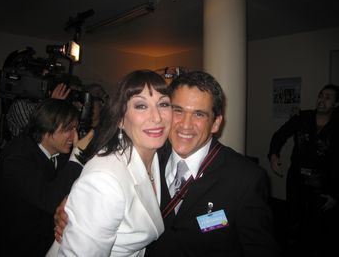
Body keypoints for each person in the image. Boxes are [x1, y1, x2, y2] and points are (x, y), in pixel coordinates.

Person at [54, 71, 281, 257]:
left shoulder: (245, 179)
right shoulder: (150, 153)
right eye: (178, 110)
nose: (185, 125)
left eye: (199, 115)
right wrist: (72, 209)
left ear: (216, 123)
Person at [46, 69, 172, 256]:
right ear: (120, 119)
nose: (157, 117)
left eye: (163, 104)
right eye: (141, 106)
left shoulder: (158, 155)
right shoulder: (104, 181)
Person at [0, 98, 93, 257]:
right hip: (15, 245)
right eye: (68, 129)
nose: (74, 136)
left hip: (44, 239)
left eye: (75, 128)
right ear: (47, 127)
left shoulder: (59, 151)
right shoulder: (17, 157)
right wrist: (78, 155)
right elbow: (49, 200)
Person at [268, 84, 339, 257]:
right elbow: (280, 135)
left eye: (328, 97)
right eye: (321, 95)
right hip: (297, 178)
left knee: (319, 227)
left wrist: (335, 192)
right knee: (293, 220)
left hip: (322, 183)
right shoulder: (303, 118)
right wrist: (273, 155)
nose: (322, 99)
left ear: (336, 104)